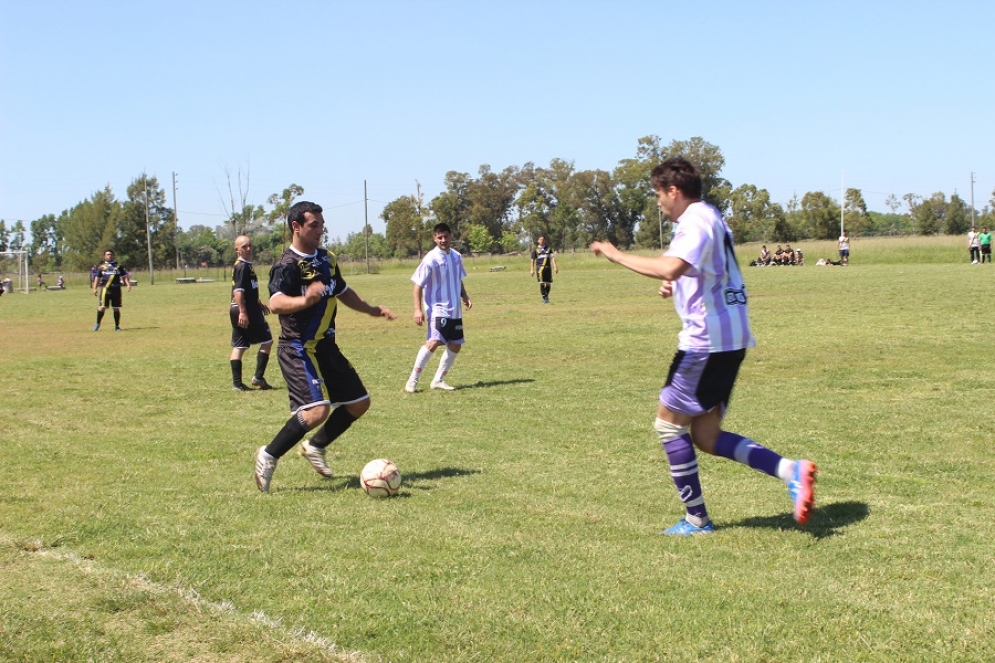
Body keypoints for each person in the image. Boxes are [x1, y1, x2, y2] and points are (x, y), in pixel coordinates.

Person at [589, 157, 816, 535]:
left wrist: (616, 254)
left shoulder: (694, 220)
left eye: (658, 194)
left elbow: (671, 266)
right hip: (731, 339)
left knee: (667, 426)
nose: (658, 203)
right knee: (706, 436)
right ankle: (791, 471)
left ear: (673, 191)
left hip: (706, 343)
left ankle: (696, 519)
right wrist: (677, 282)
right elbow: (705, 269)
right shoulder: (712, 216)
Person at [254, 201, 396, 493]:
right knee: (317, 411)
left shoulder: (326, 259)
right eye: (314, 225)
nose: (321, 230)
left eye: (322, 224)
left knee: (359, 403)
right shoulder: (286, 265)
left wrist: (370, 310)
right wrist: (305, 300)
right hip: (297, 347)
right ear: (296, 227)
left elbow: (342, 290)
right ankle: (268, 455)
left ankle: (315, 446)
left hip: (325, 347)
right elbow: (276, 303)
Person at [404, 222, 472, 393]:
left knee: (456, 345)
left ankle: (438, 380)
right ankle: (413, 380)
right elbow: (417, 286)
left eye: (445, 236)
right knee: (434, 342)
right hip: (438, 309)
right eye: (439, 237)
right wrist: (417, 309)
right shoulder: (430, 259)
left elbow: (458, 278)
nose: (443, 240)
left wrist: (464, 296)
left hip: (455, 310)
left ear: (451, 236)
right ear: (434, 238)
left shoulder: (457, 256)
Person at [229, 235, 274, 391]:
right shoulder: (242, 267)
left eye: (250, 246)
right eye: (244, 247)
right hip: (245, 309)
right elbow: (238, 291)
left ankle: (237, 384)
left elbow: (248, 290)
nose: (248, 249)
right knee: (267, 340)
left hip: (238, 308)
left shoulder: (244, 266)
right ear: (237, 250)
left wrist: (259, 303)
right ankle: (258, 377)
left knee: (239, 345)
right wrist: (243, 312)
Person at [91, 250, 131, 331]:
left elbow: (124, 276)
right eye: (108, 254)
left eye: (111, 254)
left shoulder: (118, 266)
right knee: (102, 307)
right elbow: (97, 278)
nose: (109, 256)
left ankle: (117, 326)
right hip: (105, 289)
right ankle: (97, 324)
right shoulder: (101, 267)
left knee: (116, 308)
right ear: (104, 256)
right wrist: (94, 288)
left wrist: (128, 284)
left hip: (116, 289)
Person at [530, 234, 558, 303]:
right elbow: (532, 260)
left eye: (543, 239)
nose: (541, 241)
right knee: (541, 283)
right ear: (538, 241)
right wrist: (532, 270)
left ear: (545, 241)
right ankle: (544, 297)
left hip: (547, 268)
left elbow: (552, 258)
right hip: (540, 268)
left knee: (548, 283)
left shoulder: (548, 249)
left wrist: (555, 267)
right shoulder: (535, 250)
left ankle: (546, 296)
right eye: (540, 239)